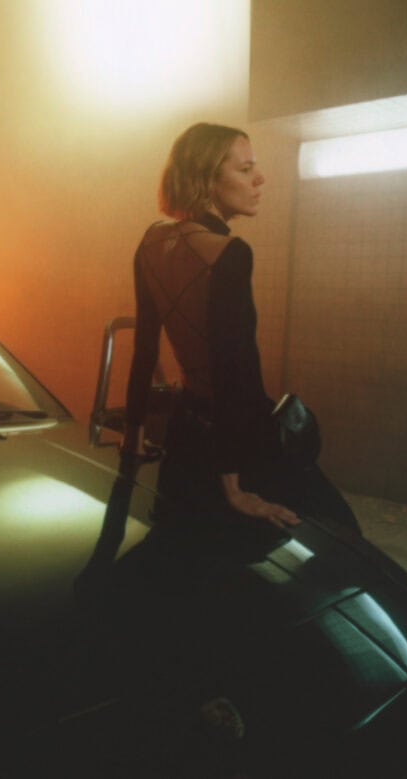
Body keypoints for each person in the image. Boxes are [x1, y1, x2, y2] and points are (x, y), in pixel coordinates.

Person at [123, 122, 358, 534]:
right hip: (239, 437)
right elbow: (236, 369)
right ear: (208, 177)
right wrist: (233, 488)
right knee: (339, 534)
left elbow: (144, 353)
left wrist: (133, 439)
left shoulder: (150, 244)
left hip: (185, 434)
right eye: (246, 169)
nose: (260, 179)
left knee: (192, 553)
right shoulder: (229, 253)